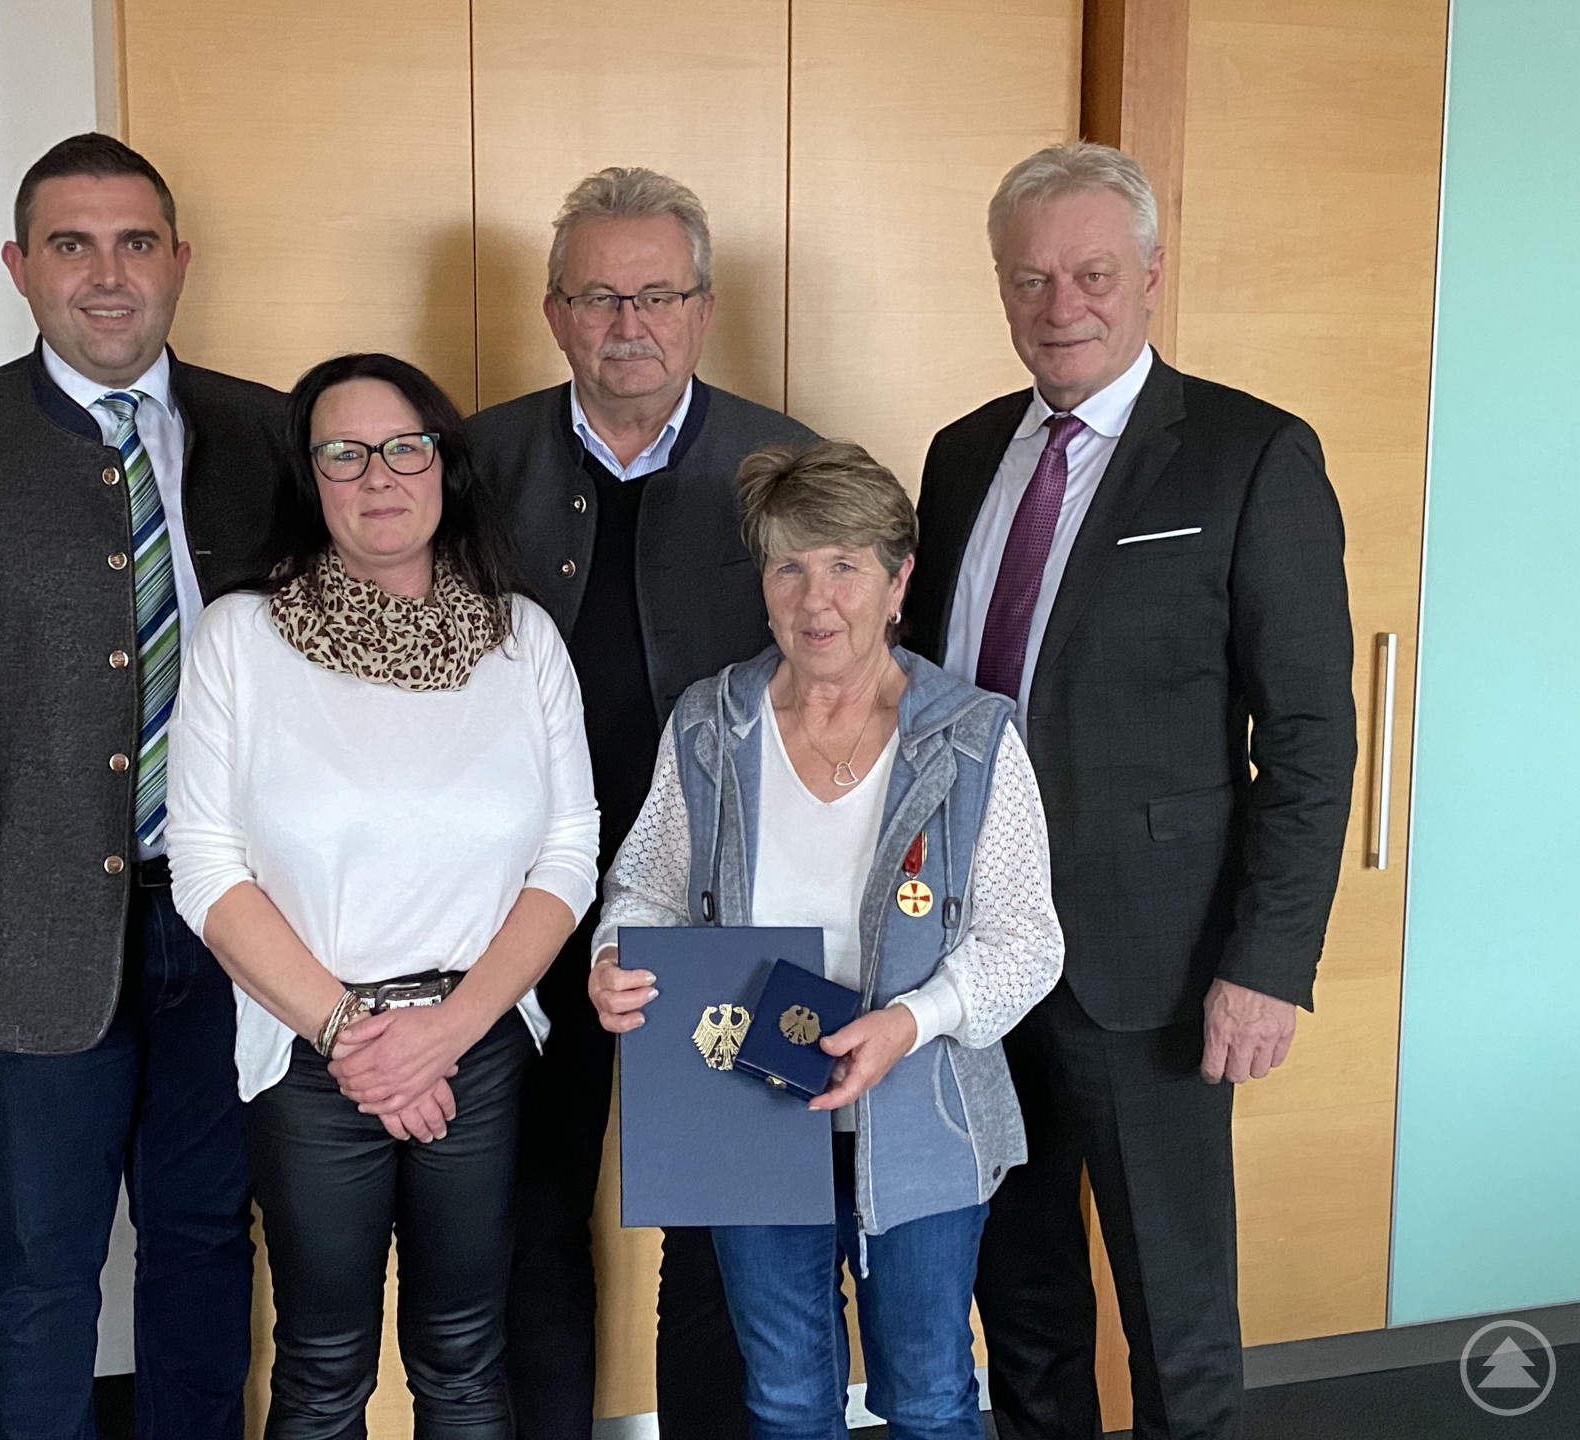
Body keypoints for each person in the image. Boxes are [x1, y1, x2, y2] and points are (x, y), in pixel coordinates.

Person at [0, 133, 288, 1439]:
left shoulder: (273, 435)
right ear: (18, 267)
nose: (107, 275)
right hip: (23, 935)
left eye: (135, 243)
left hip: (240, 930)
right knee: (37, 1265)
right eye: (71, 245)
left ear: (179, 261)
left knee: (209, 1243)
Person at [901, 142, 1356, 1440]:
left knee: (1177, 1323)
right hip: (974, 961)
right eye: (1030, 279)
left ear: (1151, 274)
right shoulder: (961, 454)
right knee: (1021, 1299)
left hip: (1150, 969)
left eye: (1093, 274)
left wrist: (1267, 964)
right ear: (1000, 286)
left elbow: (1310, 739)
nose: (1062, 307)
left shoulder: (1249, 455)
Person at [589, 440, 1064, 1440]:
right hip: (748, 1102)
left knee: (929, 1393)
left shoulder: (974, 737)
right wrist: (616, 958)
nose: (816, 599)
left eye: (845, 565)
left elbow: (1027, 940)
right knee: (785, 1396)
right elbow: (646, 887)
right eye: (789, 566)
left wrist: (910, 1020)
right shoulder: (712, 724)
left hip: (924, 1106)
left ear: (899, 581)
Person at [166, 352, 599, 1438]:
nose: (379, 476)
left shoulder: (523, 639)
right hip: (311, 1058)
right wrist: (352, 1035)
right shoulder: (238, 640)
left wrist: (448, 1031)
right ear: (308, 477)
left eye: (406, 448)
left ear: (444, 464)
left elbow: (568, 854)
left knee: (465, 1360)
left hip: (479, 1045)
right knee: (321, 1367)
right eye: (344, 454)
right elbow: (206, 867)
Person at [468, 165, 815, 1440]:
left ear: (704, 309)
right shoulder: (471, 460)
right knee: (526, 1213)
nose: (629, 324)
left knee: (728, 1232)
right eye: (598, 297)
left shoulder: (793, 465)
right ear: (554, 313)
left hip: (737, 912)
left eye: (658, 295)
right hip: (516, 907)